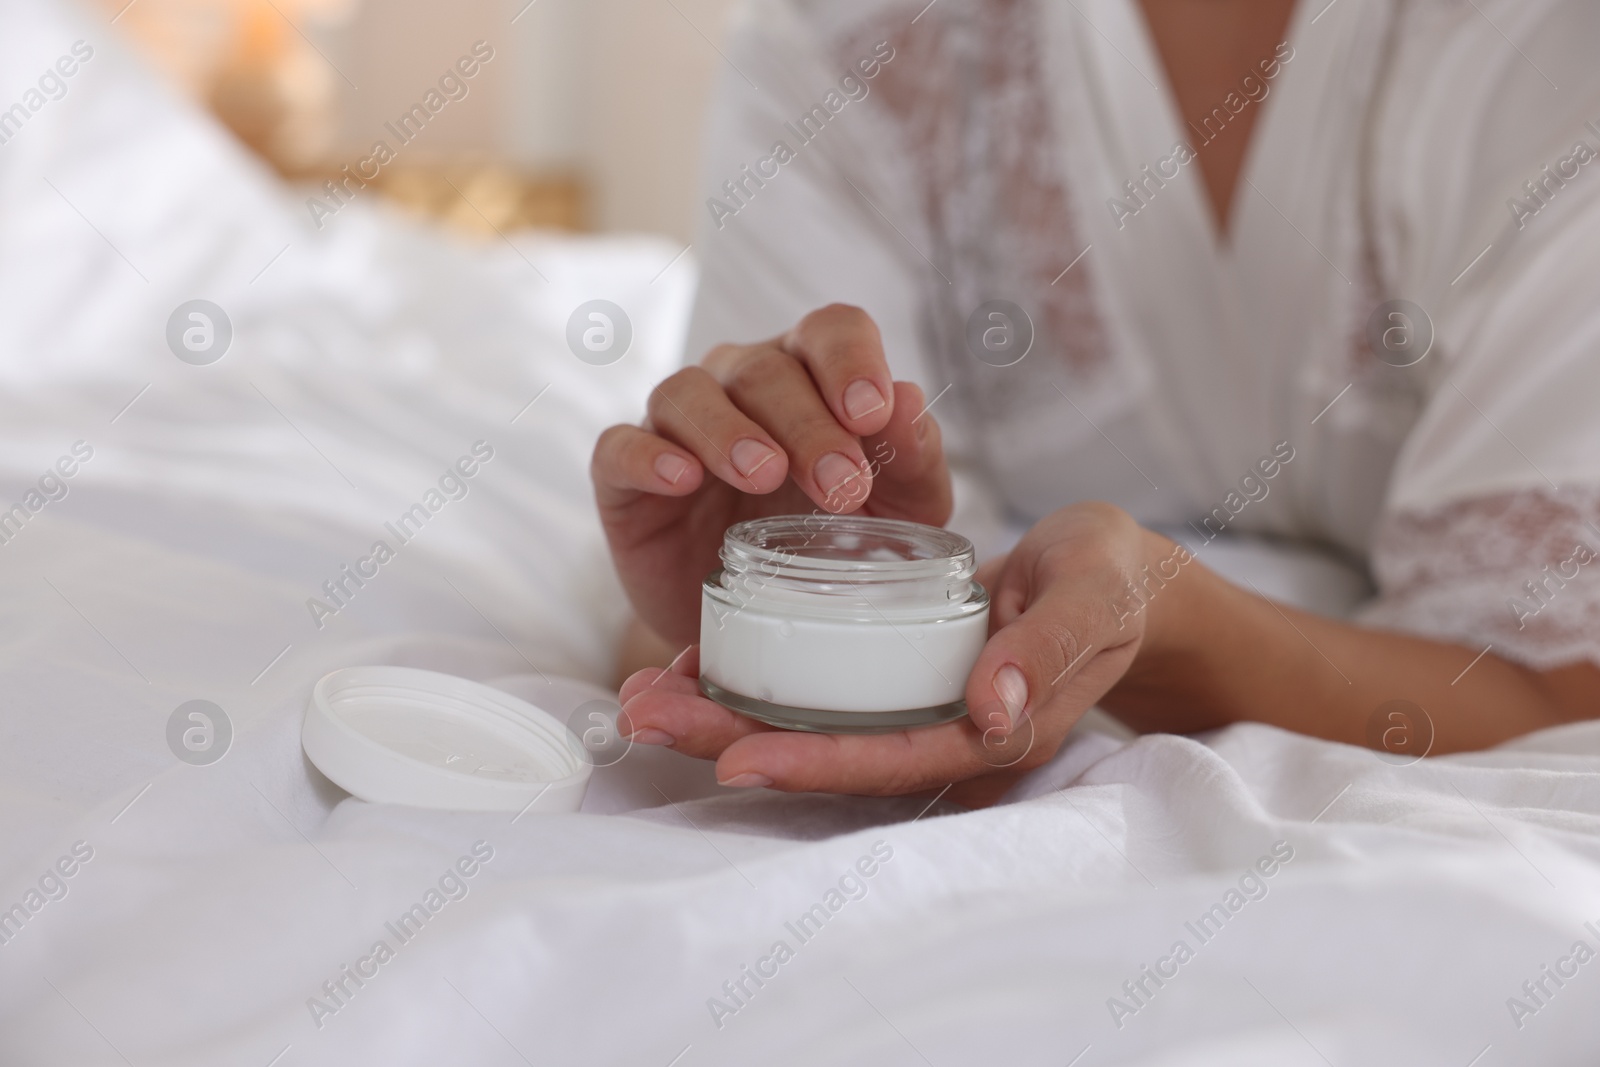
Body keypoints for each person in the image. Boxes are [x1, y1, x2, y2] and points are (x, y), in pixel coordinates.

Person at [591, 0, 1600, 805]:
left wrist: (1175, 626)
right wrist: (739, 618)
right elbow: (708, 594)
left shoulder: (1550, 66)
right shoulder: (840, 47)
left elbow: (1556, 680)